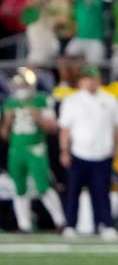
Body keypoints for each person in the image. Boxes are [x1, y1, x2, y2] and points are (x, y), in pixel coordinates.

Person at [57, 65, 118, 238]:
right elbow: (65, 129)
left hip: (103, 153)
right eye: (87, 79)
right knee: (73, 191)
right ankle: (70, 225)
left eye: (93, 78)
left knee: (102, 191)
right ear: (81, 81)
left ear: (99, 80)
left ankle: (105, 224)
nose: (90, 82)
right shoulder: (72, 100)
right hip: (78, 152)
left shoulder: (109, 100)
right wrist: (64, 151)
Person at [1, 67, 65, 233]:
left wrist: (37, 117)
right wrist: (7, 120)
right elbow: (4, 134)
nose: (21, 87)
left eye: (23, 83)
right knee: (19, 188)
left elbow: (53, 127)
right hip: (16, 150)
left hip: (36, 149)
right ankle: (24, 224)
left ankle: (60, 222)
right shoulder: (10, 103)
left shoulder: (41, 100)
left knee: (43, 186)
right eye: (18, 84)